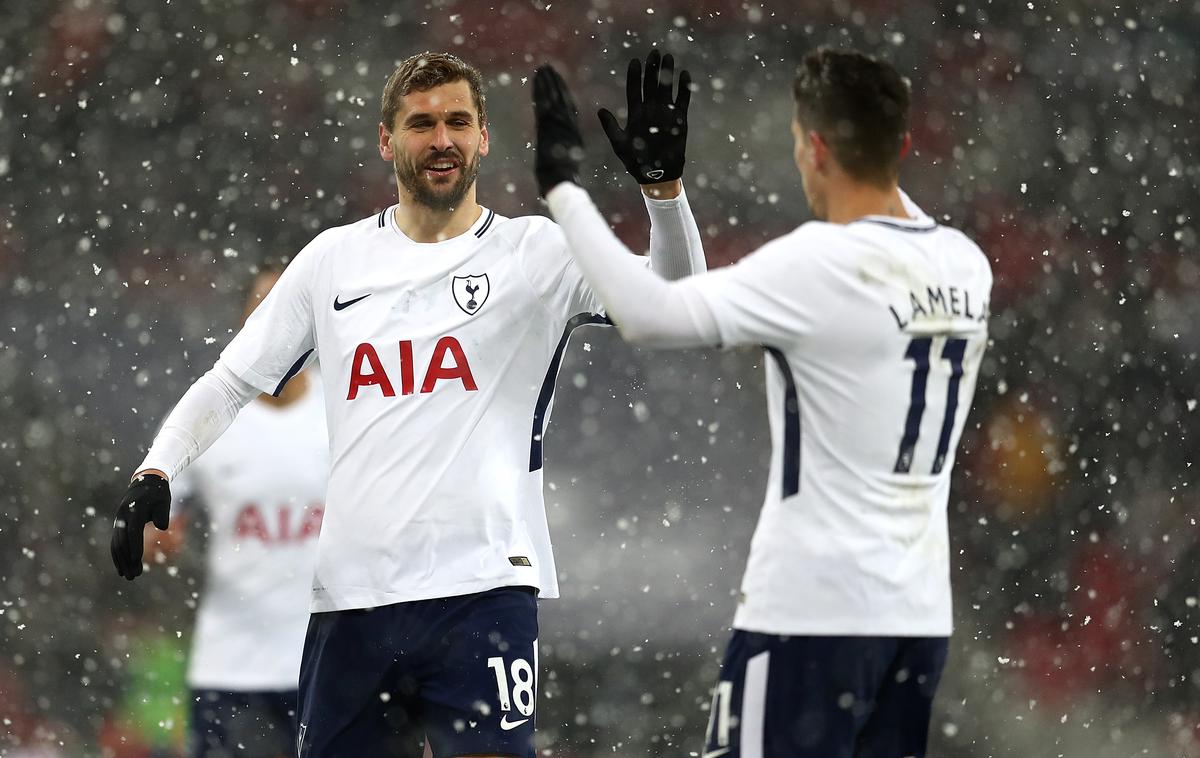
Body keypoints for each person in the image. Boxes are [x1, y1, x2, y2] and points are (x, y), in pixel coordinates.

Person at [110, 50, 705, 758]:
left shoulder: (534, 253)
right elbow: (231, 379)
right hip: (352, 606)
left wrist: (663, 195)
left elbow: (676, 306)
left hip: (482, 594)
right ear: (387, 140)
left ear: (484, 136)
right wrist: (157, 470)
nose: (442, 139)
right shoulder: (334, 261)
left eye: (458, 121)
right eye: (422, 123)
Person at [533, 48, 993, 757]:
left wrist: (563, 189)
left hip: (813, 609)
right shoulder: (966, 264)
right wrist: (665, 191)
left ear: (814, 148)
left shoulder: (821, 265)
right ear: (901, 144)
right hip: (917, 615)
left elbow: (652, 316)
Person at [142, 267, 327, 758]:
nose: (277, 324)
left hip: (330, 658)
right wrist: (156, 542)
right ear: (245, 324)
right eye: (263, 310)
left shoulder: (346, 405)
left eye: (289, 308)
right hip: (231, 661)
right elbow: (154, 520)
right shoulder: (208, 413)